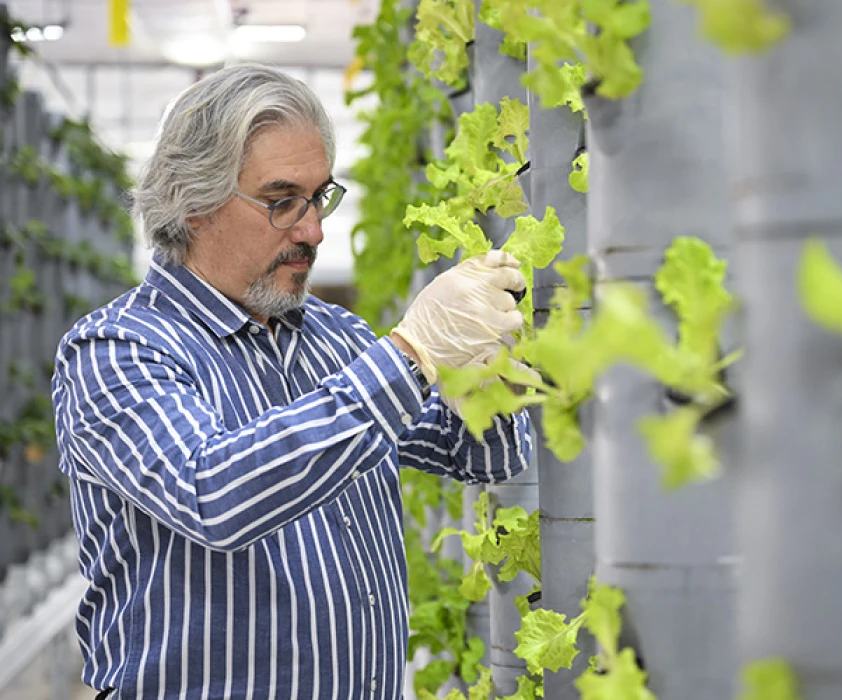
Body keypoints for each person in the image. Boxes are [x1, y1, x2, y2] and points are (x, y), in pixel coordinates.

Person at [51, 63, 533, 699]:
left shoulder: (335, 339)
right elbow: (212, 494)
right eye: (281, 202)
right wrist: (413, 351)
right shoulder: (116, 352)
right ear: (194, 204)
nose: (313, 230)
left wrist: (484, 373)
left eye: (319, 197)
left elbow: (481, 456)